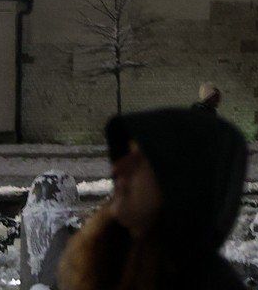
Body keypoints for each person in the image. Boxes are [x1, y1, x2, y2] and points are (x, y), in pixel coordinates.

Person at [58, 105, 248, 290]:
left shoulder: (208, 283)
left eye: (140, 159)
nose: (117, 169)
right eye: (127, 154)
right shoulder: (106, 264)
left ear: (181, 181)